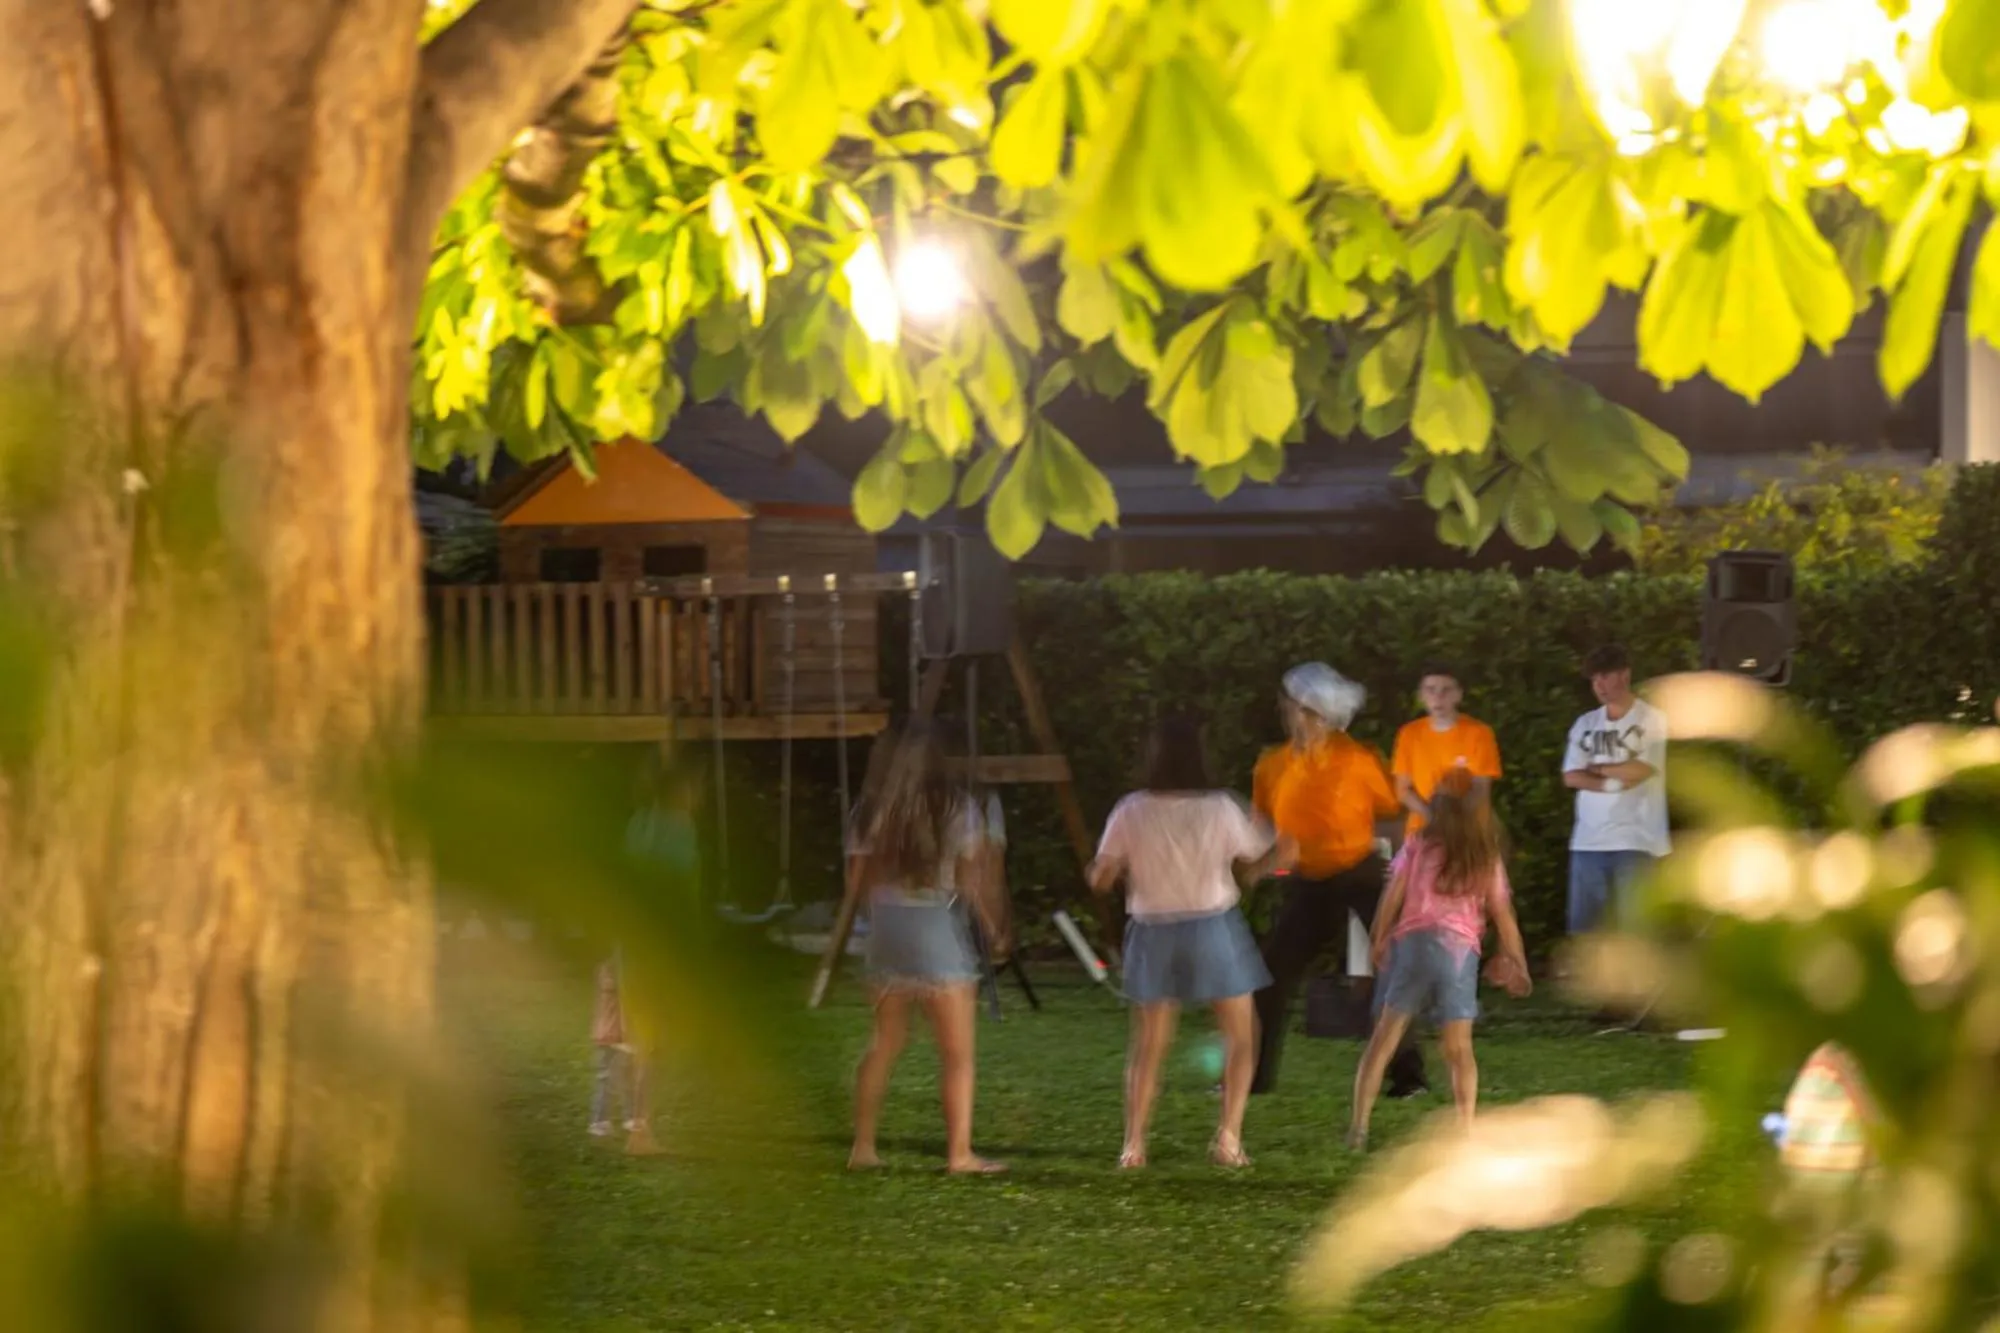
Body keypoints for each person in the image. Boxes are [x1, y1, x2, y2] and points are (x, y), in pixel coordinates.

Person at [1089, 714, 1296, 1169]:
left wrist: (1118, 871)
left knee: (1149, 1043)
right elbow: (1263, 854)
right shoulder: (1220, 807)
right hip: (1213, 925)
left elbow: (1101, 877)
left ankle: (1134, 1145)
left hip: (1151, 927)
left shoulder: (1131, 809)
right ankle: (1229, 1138)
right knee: (1242, 1034)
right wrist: (1272, 861)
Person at [1250, 662, 1426, 1097]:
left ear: (1324, 716)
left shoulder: (1358, 760)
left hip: (1360, 874)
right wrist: (1259, 862)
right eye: (1293, 709)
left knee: (1389, 971)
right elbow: (1261, 825)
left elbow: (1394, 809)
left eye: (1307, 710)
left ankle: (1409, 1077)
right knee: (1270, 976)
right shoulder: (1271, 765)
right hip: (1307, 882)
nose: (1298, 717)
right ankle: (1251, 1077)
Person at [847, 724, 1011, 1174]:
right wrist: (994, 927)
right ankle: (958, 1154)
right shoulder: (956, 808)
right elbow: (970, 880)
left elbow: (856, 884)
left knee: (883, 1044)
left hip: (886, 930)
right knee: (957, 1055)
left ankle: (862, 1147)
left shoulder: (866, 812)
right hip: (935, 926)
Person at [1346, 770, 1531, 1151]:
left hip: (1413, 945)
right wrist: (1518, 962)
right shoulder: (1485, 854)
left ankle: (1358, 1128)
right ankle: (1465, 1130)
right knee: (1459, 1049)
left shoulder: (1418, 844)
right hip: (1458, 953)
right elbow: (1503, 913)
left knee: (1384, 1039)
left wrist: (1379, 938)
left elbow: (1392, 895)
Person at [1561, 644, 1671, 936]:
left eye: (1605, 677)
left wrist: (1595, 768)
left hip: (1636, 839)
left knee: (1635, 932)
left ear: (1624, 675)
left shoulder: (1651, 719)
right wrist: (1612, 778)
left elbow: (1642, 770)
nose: (1599, 686)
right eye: (1594, 679)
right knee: (1586, 932)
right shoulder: (1585, 723)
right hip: (1587, 841)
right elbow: (1571, 776)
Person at [1391, 662, 1502, 838]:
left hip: (1469, 834)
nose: (1438, 697)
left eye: (1446, 690)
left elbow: (1480, 787)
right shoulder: (1409, 734)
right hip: (1422, 832)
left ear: (1458, 695)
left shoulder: (1479, 733)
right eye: (1431, 690)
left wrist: (1453, 822)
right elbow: (1403, 789)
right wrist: (1433, 818)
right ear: (1421, 696)